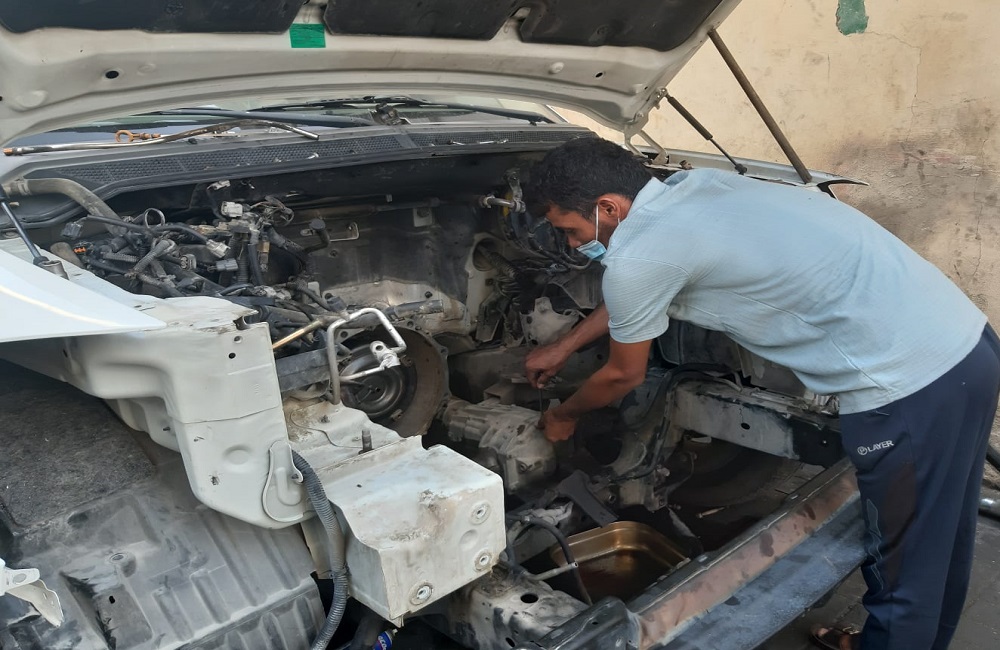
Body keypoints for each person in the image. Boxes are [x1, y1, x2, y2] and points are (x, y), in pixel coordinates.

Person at [522, 136, 1000, 650]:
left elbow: (622, 374)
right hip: (966, 347)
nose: (572, 245)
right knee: (941, 534)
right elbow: (640, 290)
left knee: (904, 566)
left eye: (570, 231)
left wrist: (564, 415)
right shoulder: (695, 187)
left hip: (908, 390)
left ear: (608, 208)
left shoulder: (642, 257)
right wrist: (566, 345)